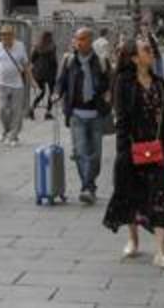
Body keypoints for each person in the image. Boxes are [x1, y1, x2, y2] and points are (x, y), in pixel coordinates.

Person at [104, 37, 164, 270]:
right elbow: (122, 121)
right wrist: (122, 153)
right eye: (146, 49)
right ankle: (133, 239)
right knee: (131, 194)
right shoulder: (124, 84)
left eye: (151, 48)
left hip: (157, 151)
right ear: (135, 58)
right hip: (132, 149)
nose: (151, 52)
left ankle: (160, 251)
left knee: (160, 197)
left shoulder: (160, 84)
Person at [54, 28, 110, 205]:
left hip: (96, 114)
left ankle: (89, 186)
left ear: (90, 41)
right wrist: (56, 93)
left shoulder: (100, 61)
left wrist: (108, 94)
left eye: (82, 39)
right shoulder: (69, 61)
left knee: (95, 154)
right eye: (77, 39)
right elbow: (60, 82)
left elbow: (109, 81)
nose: (78, 42)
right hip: (77, 113)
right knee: (80, 152)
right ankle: (87, 187)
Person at [0, 25, 32, 146]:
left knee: (16, 111)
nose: (5, 37)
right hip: (1, 83)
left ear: (13, 35)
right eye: (2, 35)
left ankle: (13, 136)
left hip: (17, 84)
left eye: (7, 35)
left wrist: (32, 81)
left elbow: (26, 64)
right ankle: (7, 130)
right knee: (1, 110)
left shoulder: (20, 46)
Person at [28, 31, 59, 120]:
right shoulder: (52, 47)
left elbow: (32, 59)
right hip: (50, 73)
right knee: (51, 92)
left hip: (39, 73)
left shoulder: (38, 46)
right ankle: (48, 112)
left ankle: (32, 108)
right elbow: (54, 60)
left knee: (41, 92)